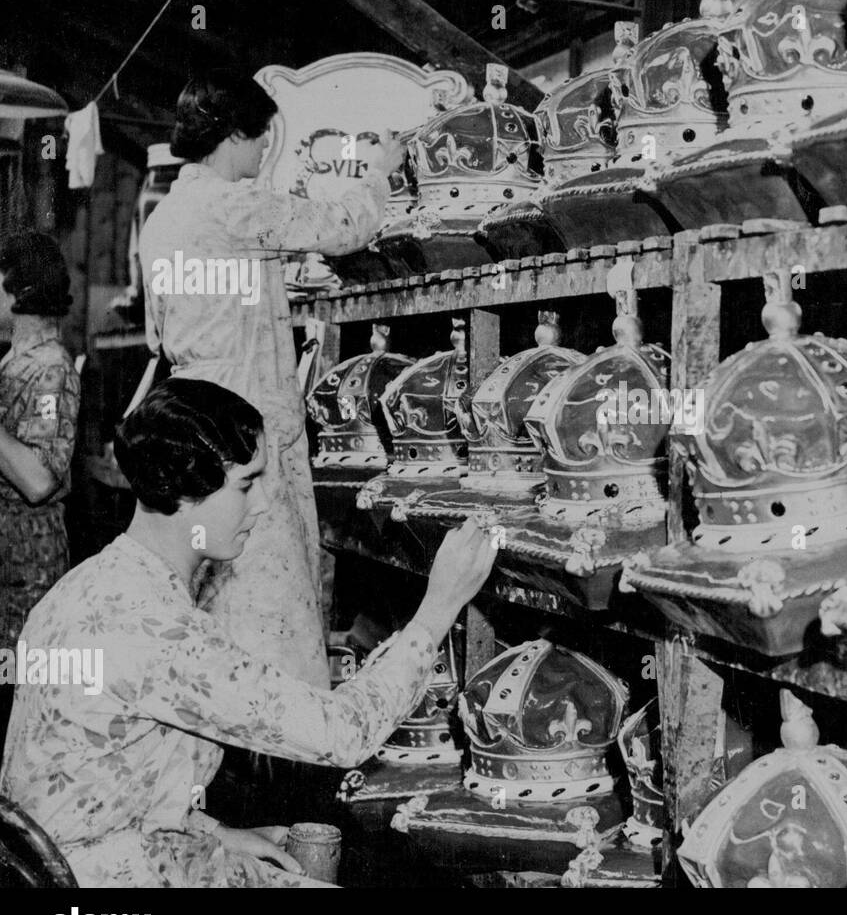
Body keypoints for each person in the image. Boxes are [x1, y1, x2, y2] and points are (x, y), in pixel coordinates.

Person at [0, 378, 496, 887]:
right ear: (186, 490)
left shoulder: (87, 586)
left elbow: (100, 774)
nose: (262, 505)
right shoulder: (160, 633)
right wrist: (439, 607)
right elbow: (342, 733)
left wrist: (213, 832)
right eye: (246, 483)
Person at [137, 70, 406, 688]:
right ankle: (281, 751)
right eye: (261, 138)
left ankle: (225, 751)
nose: (265, 151)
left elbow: (171, 329)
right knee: (270, 594)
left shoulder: (165, 219)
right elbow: (342, 227)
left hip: (192, 416)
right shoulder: (231, 205)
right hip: (244, 416)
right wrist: (380, 171)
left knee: (211, 592)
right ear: (233, 135)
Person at [0, 232, 79, 737]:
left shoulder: (50, 371)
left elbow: (37, 477)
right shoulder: (15, 363)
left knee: (17, 711)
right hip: (9, 563)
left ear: (19, 291)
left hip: (27, 572)